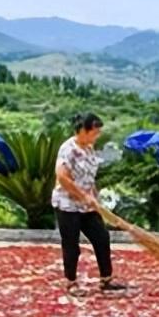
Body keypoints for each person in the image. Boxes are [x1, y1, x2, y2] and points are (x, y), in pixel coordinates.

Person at [53, 112, 126, 295]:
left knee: (102, 237)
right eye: (95, 132)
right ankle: (71, 283)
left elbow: (89, 178)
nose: (97, 135)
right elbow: (62, 177)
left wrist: (94, 197)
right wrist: (82, 195)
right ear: (83, 131)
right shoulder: (68, 149)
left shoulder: (90, 148)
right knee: (71, 245)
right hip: (67, 205)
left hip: (87, 206)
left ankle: (106, 279)